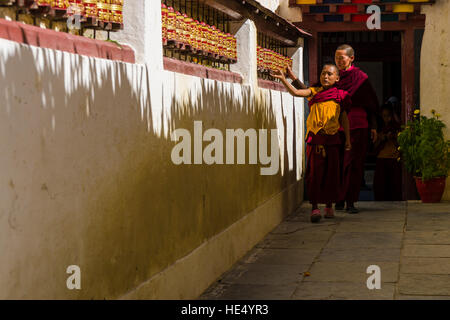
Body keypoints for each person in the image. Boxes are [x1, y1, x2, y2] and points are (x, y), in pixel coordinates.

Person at [272, 64, 352, 223]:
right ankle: (315, 207)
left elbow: (344, 119)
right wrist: (284, 79)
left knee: (332, 174)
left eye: (329, 74)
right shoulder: (314, 92)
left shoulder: (342, 96)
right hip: (316, 140)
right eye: (323, 74)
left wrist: (348, 140)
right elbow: (297, 92)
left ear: (337, 78)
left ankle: (329, 205)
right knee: (315, 174)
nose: (325, 77)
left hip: (333, 139)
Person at [334, 44, 379, 213]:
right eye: (336, 57)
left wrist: (374, 127)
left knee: (354, 164)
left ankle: (350, 201)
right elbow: (316, 92)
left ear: (351, 58)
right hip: (336, 127)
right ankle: (338, 199)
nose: (338, 61)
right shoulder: (332, 77)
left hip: (358, 126)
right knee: (338, 164)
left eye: (342, 58)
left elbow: (371, 104)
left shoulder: (361, 78)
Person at [373, 105, 402, 201]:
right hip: (381, 157)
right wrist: (383, 137)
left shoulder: (396, 126)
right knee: (380, 185)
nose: (387, 118)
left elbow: (400, 142)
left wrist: (393, 136)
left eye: (388, 116)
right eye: (384, 116)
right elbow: (375, 143)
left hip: (394, 157)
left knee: (394, 185)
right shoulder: (379, 127)